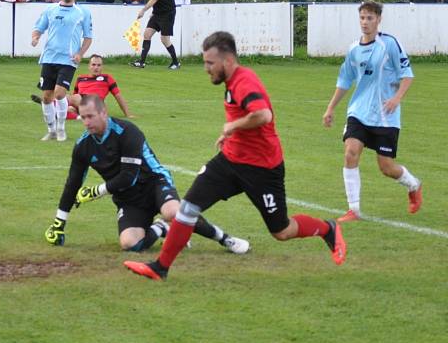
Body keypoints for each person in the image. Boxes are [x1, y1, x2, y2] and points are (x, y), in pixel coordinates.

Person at [124, 31, 346, 281]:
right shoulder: (231, 81)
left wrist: (232, 127)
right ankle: (160, 267)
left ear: (227, 61)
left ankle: (328, 228)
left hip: (262, 168)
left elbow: (263, 115)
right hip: (229, 162)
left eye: (210, 63)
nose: (206, 68)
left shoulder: (244, 81)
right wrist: (231, 135)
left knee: (281, 231)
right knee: (187, 209)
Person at [44, 94, 251, 255]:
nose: (86, 122)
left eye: (91, 116)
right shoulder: (83, 146)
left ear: (104, 113)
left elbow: (129, 176)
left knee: (173, 212)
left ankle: (225, 239)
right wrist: (58, 225)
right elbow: (72, 184)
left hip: (154, 183)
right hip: (127, 199)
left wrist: (96, 191)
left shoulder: (127, 132)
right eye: (83, 117)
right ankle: (163, 228)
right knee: (129, 244)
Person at [322, 0, 422, 222]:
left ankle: (414, 185)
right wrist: (330, 108)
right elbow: (345, 80)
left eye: (370, 18)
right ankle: (354, 210)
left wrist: (397, 98)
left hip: (385, 117)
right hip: (358, 112)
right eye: (362, 18)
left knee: (386, 167)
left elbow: (408, 74)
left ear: (379, 20)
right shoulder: (353, 49)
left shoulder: (389, 44)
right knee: (350, 152)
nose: (365, 22)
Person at [31, 0, 93, 142]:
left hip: (68, 59)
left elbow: (88, 37)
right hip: (49, 57)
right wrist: (35, 37)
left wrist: (80, 53)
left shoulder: (83, 13)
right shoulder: (50, 9)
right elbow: (38, 28)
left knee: (60, 93)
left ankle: (61, 128)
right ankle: (51, 130)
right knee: (46, 97)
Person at [31, 54, 133, 120]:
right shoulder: (81, 78)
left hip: (97, 105)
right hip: (81, 104)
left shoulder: (107, 78)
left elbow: (118, 96)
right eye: (93, 65)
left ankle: (49, 102)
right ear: (89, 66)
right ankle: (76, 116)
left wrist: (128, 114)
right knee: (70, 108)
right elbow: (75, 95)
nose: (96, 67)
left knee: (71, 98)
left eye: (98, 65)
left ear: (102, 67)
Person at [130, 0, 180, 70]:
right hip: (157, 14)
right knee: (147, 34)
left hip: (167, 14)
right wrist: (153, 11)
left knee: (164, 39)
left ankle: (176, 62)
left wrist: (143, 10)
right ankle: (142, 62)